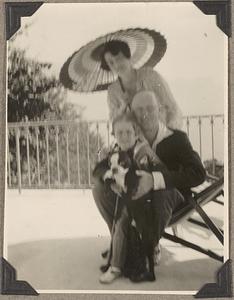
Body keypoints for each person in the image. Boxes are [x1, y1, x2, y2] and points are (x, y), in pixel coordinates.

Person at [92, 90, 206, 283]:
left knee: (162, 191)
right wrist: (108, 175)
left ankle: (146, 250)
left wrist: (155, 180)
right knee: (99, 189)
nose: (145, 113)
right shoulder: (130, 138)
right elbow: (104, 168)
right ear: (133, 116)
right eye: (139, 110)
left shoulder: (177, 138)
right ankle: (122, 243)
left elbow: (198, 173)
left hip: (171, 198)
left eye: (150, 108)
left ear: (160, 110)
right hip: (139, 202)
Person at [93, 112, 159, 284]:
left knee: (122, 222)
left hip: (144, 203)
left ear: (136, 133)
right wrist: (109, 175)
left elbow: (148, 179)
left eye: (128, 132)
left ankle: (116, 267)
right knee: (102, 195)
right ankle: (119, 251)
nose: (123, 137)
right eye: (119, 133)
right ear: (114, 134)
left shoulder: (142, 151)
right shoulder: (115, 152)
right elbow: (98, 170)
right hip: (127, 200)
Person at [101, 40, 183, 130]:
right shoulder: (113, 91)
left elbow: (172, 107)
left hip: (163, 133)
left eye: (119, 58)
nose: (116, 65)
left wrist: (170, 133)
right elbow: (114, 123)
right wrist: (122, 107)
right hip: (136, 141)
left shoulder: (150, 76)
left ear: (128, 57)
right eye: (111, 62)